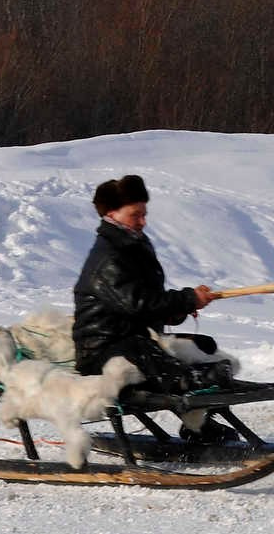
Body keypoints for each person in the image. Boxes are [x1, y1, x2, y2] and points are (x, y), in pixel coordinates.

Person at [73, 175, 230, 441]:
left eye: (144, 214)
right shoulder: (108, 257)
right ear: (112, 213)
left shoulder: (133, 245)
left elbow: (150, 301)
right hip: (102, 349)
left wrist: (181, 308)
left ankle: (198, 422)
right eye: (136, 215)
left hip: (136, 339)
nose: (143, 221)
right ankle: (193, 392)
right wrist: (186, 299)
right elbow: (137, 304)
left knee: (203, 345)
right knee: (145, 351)